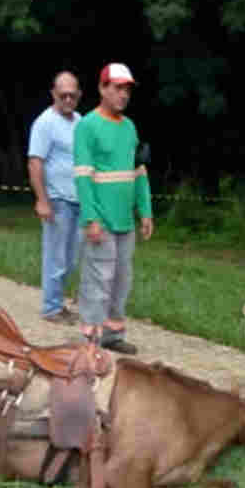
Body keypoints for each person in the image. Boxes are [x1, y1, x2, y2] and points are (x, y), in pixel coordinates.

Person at [73, 62, 152, 354]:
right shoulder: (87, 127)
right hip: (101, 221)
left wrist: (145, 211)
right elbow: (82, 175)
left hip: (125, 222)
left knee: (121, 280)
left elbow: (139, 171)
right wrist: (91, 218)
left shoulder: (129, 127)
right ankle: (90, 340)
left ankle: (113, 334)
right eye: (118, 88)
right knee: (98, 281)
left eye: (127, 89)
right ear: (102, 88)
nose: (123, 94)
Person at [28, 71, 83, 324]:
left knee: (71, 258)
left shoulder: (80, 121)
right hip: (57, 200)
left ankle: (59, 303)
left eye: (73, 94)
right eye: (63, 95)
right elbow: (35, 162)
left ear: (79, 95)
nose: (68, 99)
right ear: (54, 94)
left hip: (78, 200)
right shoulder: (45, 122)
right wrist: (42, 200)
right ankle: (51, 308)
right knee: (56, 256)